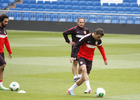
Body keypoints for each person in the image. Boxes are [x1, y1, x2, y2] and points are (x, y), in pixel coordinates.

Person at [67, 28, 108, 95]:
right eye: (98, 37)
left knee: (83, 78)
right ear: (95, 33)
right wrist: (72, 56)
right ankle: (89, 88)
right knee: (83, 69)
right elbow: (76, 45)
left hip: (90, 59)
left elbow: (101, 49)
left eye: (100, 37)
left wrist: (105, 59)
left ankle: (70, 90)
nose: (98, 38)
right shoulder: (86, 38)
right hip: (81, 56)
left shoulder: (98, 41)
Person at [63, 17, 90, 82]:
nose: (81, 24)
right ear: (77, 22)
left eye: (82, 22)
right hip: (75, 48)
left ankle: (79, 76)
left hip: (83, 49)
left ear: (84, 23)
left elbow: (89, 37)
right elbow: (65, 33)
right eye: (80, 22)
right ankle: (75, 77)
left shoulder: (86, 30)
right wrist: (69, 41)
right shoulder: (74, 29)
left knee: (82, 63)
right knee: (75, 62)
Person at [0, 14, 12, 90]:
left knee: (2, 69)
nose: (6, 23)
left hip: (1, 52)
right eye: (5, 21)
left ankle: (0, 85)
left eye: (7, 22)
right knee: (3, 64)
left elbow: (6, 42)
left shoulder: (4, 31)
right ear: (1, 21)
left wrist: (9, 52)